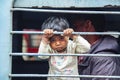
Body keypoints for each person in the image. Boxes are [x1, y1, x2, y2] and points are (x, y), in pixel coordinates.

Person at [71, 14, 120, 80]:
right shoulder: (84, 50)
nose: (73, 32)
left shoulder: (104, 59)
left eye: (75, 27)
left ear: (87, 25)